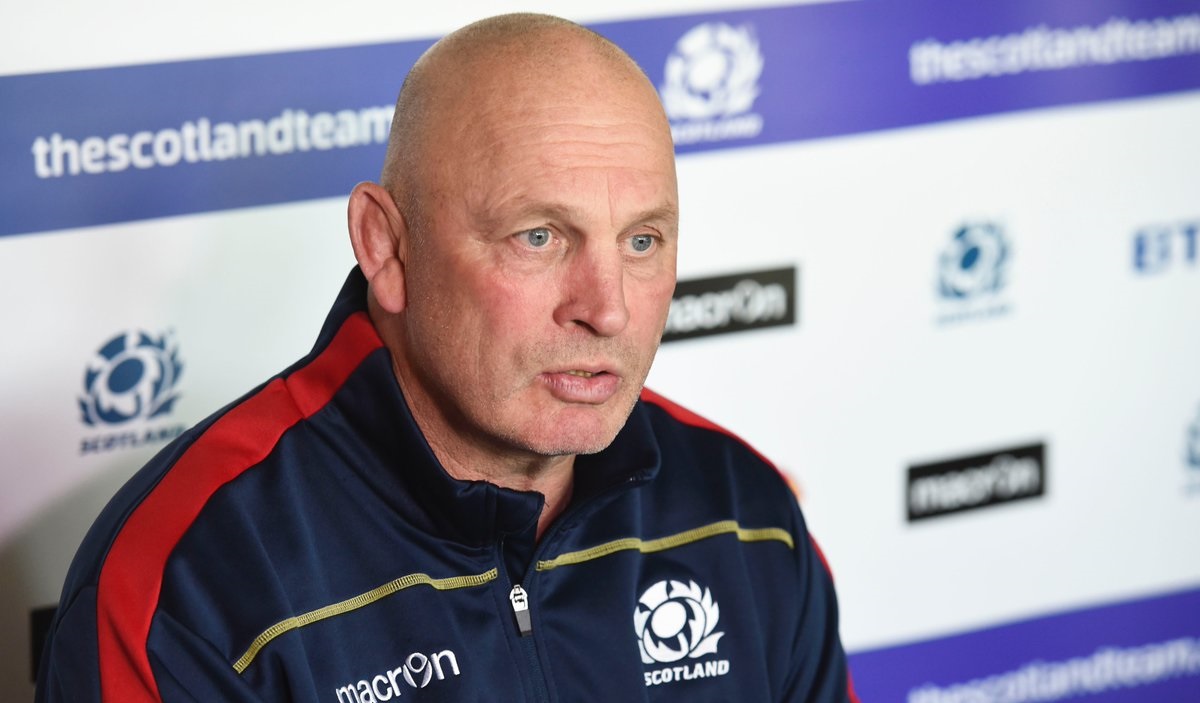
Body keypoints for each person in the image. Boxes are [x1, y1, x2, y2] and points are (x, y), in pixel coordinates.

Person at [37, 13, 857, 703]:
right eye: (539, 236)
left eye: (642, 240)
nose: (607, 308)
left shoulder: (744, 514)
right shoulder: (188, 583)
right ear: (386, 246)